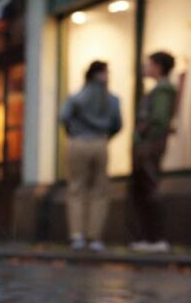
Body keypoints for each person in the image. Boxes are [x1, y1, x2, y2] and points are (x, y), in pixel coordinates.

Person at [60, 60, 123, 252]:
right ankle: (94, 237)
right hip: (100, 142)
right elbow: (117, 124)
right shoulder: (111, 99)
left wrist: (73, 132)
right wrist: (105, 136)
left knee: (76, 188)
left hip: (77, 142)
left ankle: (77, 235)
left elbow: (63, 116)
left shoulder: (76, 97)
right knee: (100, 190)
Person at [130, 51, 178, 253]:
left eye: (149, 64)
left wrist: (144, 138)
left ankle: (156, 237)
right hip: (149, 144)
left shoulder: (163, 90)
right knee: (144, 189)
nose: (146, 68)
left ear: (158, 67)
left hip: (150, 145)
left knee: (150, 188)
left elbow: (159, 119)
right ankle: (149, 237)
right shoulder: (160, 90)